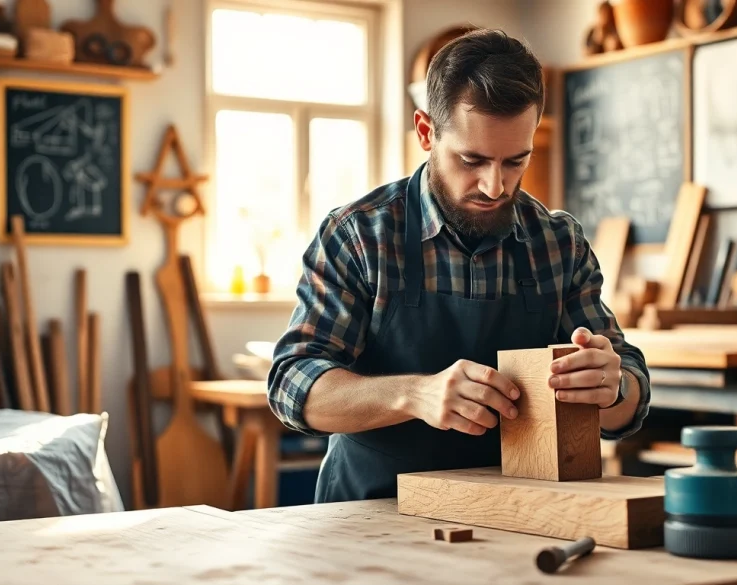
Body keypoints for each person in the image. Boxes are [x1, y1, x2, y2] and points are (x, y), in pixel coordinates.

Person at [267, 28, 650, 504]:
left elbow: (628, 397)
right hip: (370, 516)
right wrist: (414, 395)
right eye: (472, 160)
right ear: (426, 132)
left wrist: (611, 388)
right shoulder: (359, 236)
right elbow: (292, 385)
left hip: (517, 520)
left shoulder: (556, 243)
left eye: (516, 161)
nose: (494, 186)